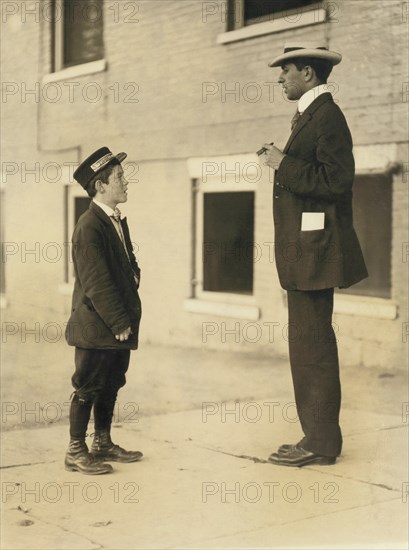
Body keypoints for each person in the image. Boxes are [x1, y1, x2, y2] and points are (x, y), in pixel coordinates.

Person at [261, 43, 368, 467]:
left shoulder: (327, 116)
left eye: (285, 71)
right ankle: (316, 436)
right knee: (307, 346)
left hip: (316, 255)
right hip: (306, 255)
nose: (280, 78)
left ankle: (321, 443)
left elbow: (337, 182)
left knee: (314, 348)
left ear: (308, 72)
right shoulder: (312, 115)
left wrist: (282, 162)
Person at [64, 147, 143, 474]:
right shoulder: (89, 226)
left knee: (112, 383)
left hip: (114, 325)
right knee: (88, 385)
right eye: (119, 177)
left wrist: (136, 273)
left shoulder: (114, 220)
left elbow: (125, 263)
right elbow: (96, 281)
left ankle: (103, 442)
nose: (126, 182)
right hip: (98, 327)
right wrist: (119, 321)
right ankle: (75, 450)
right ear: (101, 185)